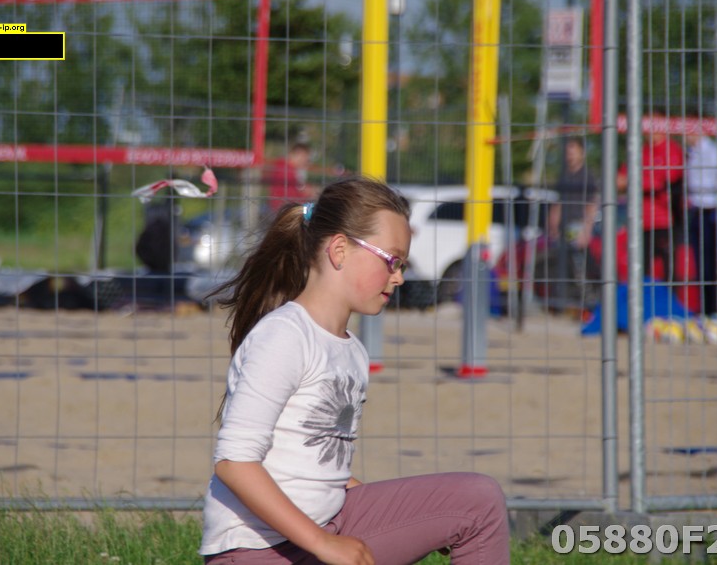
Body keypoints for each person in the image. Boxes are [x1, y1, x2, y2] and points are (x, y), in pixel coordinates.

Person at [199, 175, 510, 565]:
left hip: (325, 526)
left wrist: (414, 516)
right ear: (340, 250)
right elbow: (234, 462)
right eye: (392, 260)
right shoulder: (284, 336)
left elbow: (318, 462)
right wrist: (323, 543)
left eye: (402, 264)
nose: (399, 276)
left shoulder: (351, 350)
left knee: (476, 502)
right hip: (258, 550)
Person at [618, 119, 685, 282]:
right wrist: (643, 181)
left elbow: (665, 182)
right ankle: (643, 299)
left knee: (669, 272)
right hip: (640, 222)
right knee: (640, 270)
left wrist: (635, 180)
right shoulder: (641, 151)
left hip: (665, 222)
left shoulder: (672, 150)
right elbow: (620, 181)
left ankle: (669, 298)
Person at [684, 129, 717, 314]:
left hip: (713, 212)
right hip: (697, 212)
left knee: (713, 266)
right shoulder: (691, 154)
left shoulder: (715, 152)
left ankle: (716, 310)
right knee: (701, 266)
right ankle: (705, 309)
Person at [548, 136, 600, 249]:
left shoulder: (587, 177)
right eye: (567, 152)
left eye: (573, 152)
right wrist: (553, 226)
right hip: (562, 228)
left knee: (577, 258)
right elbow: (557, 204)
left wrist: (586, 230)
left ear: (582, 153)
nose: (569, 155)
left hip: (579, 228)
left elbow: (592, 205)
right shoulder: (563, 176)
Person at [265, 141, 321, 213]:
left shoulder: (286, 168)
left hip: (283, 209)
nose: (306, 162)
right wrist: (306, 194)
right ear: (299, 154)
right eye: (306, 158)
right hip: (283, 210)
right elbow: (291, 196)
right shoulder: (285, 169)